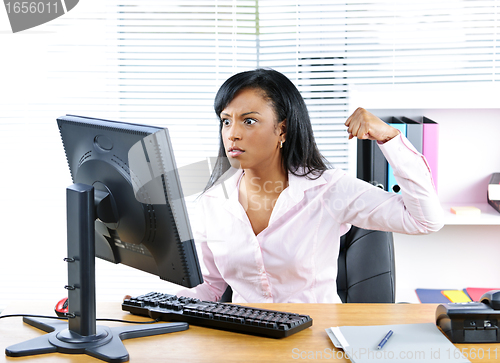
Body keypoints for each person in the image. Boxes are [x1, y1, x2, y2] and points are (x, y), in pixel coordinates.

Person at [177, 68, 443, 304]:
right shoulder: (212, 202)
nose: (232, 133)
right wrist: (152, 304)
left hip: (314, 339)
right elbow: (210, 287)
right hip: (246, 342)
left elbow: (425, 221)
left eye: (249, 121)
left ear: (282, 130)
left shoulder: (328, 189)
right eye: (226, 120)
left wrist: (390, 138)